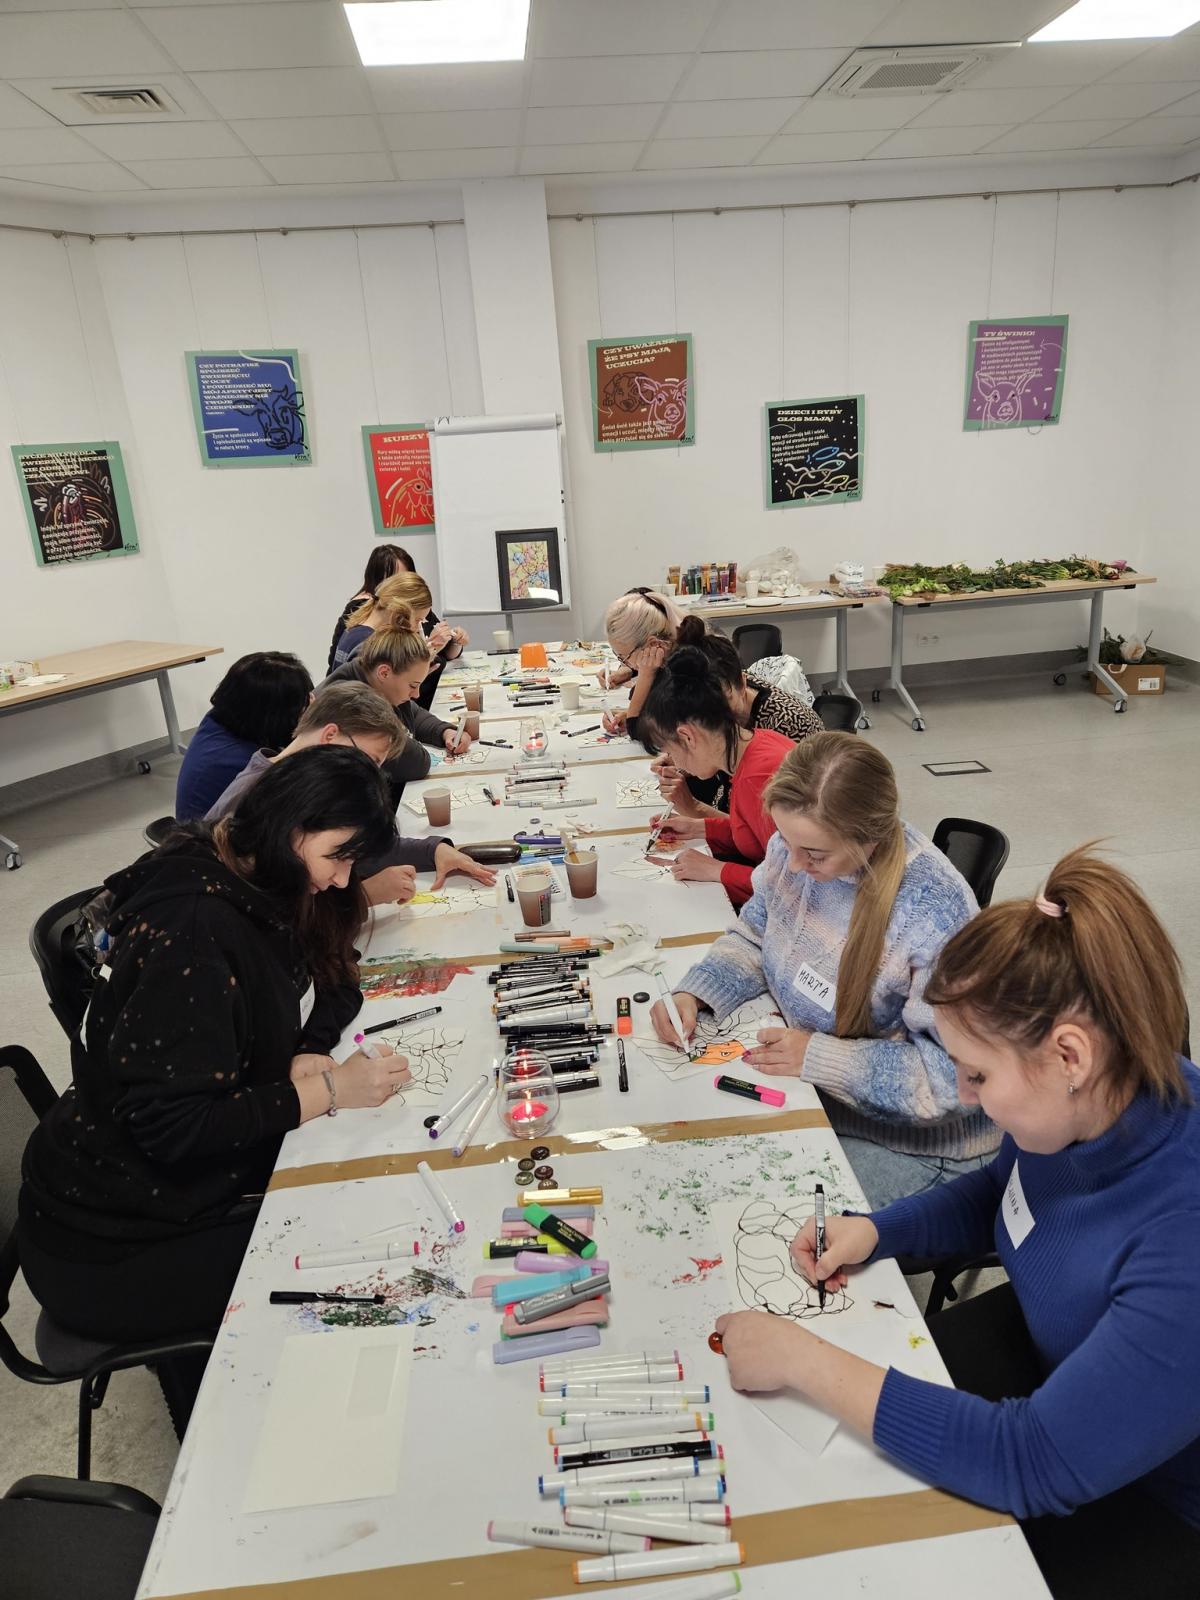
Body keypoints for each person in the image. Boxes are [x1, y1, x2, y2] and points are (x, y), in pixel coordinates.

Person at [711, 849, 1200, 1600]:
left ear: (1070, 1056)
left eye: (978, 1074)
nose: (965, 1098)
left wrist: (801, 1360)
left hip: (1156, 1497)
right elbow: (1004, 1193)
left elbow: (1029, 1462)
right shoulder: (1091, 1103)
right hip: (1053, 1360)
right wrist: (878, 1230)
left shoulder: (1183, 1237)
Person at [19, 748, 413, 1430]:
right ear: (292, 827)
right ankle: (233, 1442)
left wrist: (308, 1048)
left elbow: (336, 972)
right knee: (354, 1265)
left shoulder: (259, 873)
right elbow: (173, 1129)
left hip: (158, 1185)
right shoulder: (194, 931)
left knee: (362, 1208)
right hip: (111, 1239)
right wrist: (328, 1093)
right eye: (337, 857)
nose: (341, 879)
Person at [651, 733, 993, 1205]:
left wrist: (820, 1057)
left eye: (813, 853)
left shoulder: (932, 911)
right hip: (817, 1096)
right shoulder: (795, 848)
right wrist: (698, 991)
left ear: (868, 838)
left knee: (761, 1206)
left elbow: (954, 1079)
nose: (792, 863)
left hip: (919, 1143)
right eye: (785, 841)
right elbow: (756, 931)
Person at [205, 679, 494, 895]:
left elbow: (349, 849)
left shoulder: (303, 784)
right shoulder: (254, 800)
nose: (370, 773)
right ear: (330, 735)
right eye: (370, 759)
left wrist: (432, 850)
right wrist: (367, 896)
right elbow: (279, 922)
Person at [636, 646, 794, 906]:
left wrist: (716, 870)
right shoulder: (756, 744)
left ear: (688, 737)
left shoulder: (760, 779)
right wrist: (699, 827)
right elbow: (754, 835)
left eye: (670, 751)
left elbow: (792, 889)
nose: (674, 761)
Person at [652, 616, 824, 817]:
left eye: (722, 700)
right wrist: (686, 754)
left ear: (743, 682)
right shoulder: (731, 719)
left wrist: (695, 808)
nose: (713, 711)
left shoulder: (783, 728)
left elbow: (756, 829)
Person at [321, 620, 471, 802]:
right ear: (384, 673)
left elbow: (413, 712)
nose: (416, 694)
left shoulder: (371, 674)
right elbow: (415, 763)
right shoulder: (353, 702)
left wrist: (444, 731)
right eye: (412, 685)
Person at [175, 652, 313, 821]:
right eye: (301, 706)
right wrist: (310, 728)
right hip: (211, 834)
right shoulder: (242, 763)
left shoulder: (222, 719)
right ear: (275, 714)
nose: (305, 710)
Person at [327, 544, 468, 708]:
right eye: (418, 621)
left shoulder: (362, 630)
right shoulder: (368, 645)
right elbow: (382, 708)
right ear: (399, 611)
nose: (417, 628)